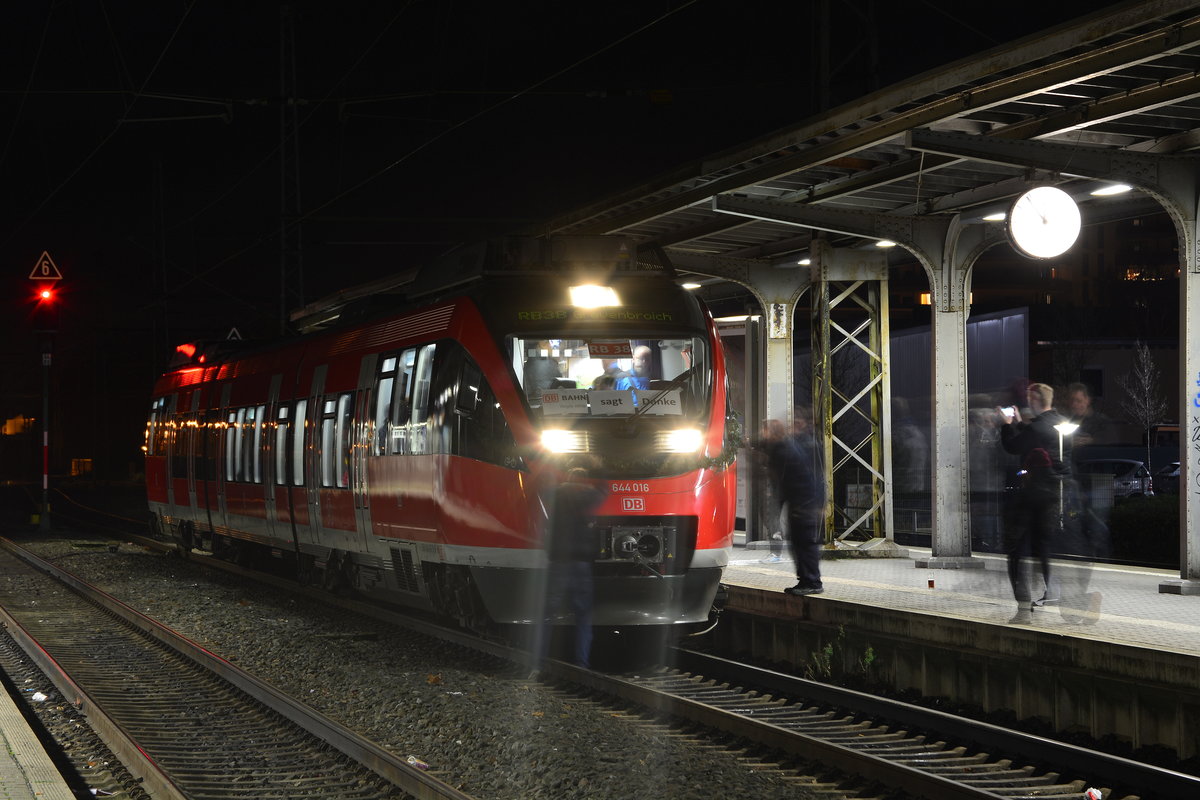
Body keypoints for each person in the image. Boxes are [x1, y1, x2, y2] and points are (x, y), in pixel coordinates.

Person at [998, 382, 1072, 623]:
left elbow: (1014, 446)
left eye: (1030, 398)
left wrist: (1007, 425)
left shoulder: (1038, 427)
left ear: (1035, 400)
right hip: (1054, 493)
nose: (1028, 402)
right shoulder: (1060, 422)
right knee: (1043, 544)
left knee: (1015, 547)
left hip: (1032, 494)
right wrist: (1020, 424)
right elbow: (1040, 443)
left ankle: (1023, 606)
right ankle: (1051, 590)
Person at [537, 467, 606, 669]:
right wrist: (600, 467)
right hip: (581, 564)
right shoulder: (589, 495)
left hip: (559, 562)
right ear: (585, 479)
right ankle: (581, 662)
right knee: (583, 616)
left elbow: (541, 486)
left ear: (568, 477)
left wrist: (551, 463)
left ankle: (539, 659)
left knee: (548, 613)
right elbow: (604, 490)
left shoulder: (556, 493)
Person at [763, 416, 826, 596]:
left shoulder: (784, 449)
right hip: (805, 502)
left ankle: (812, 581)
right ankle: (807, 580)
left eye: (766, 430)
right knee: (800, 543)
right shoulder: (793, 446)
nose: (763, 433)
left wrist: (796, 503)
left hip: (803, 504)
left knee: (804, 543)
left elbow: (788, 480)